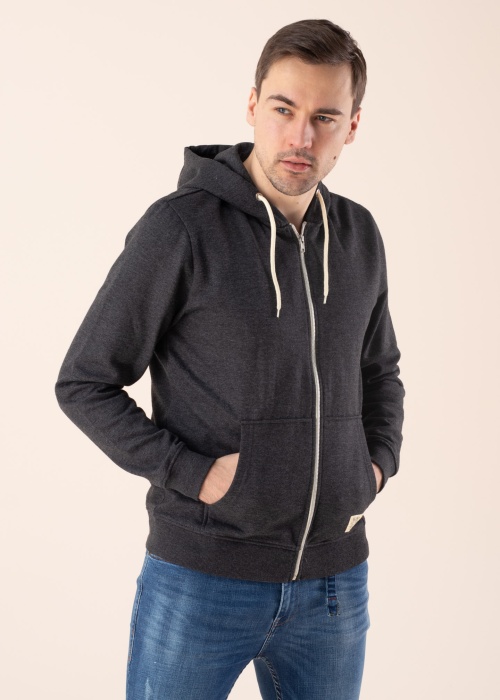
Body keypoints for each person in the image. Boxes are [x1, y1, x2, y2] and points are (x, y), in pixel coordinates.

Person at [55, 18, 405, 700]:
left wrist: (373, 469)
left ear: (352, 126)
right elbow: (84, 381)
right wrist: (193, 473)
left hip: (334, 586)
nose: (301, 137)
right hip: (200, 581)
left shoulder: (358, 235)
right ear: (252, 105)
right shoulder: (180, 228)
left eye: (325, 117)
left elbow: (380, 370)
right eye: (284, 109)